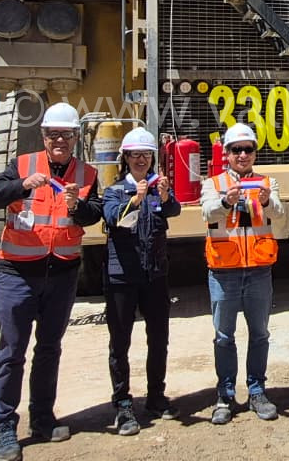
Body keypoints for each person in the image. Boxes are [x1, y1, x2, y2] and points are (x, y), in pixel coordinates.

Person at [0, 102, 103, 461]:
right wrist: (21, 185)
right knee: (12, 351)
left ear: (76, 137)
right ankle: (4, 425)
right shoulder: (22, 165)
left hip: (62, 272)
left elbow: (93, 215)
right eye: (53, 134)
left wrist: (77, 206)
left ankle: (43, 419)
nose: (60, 140)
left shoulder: (87, 174)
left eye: (66, 134)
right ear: (44, 136)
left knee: (49, 348)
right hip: (18, 272)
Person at [199, 123, 286, 424]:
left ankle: (257, 391)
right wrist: (226, 202)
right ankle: (224, 396)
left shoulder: (267, 183)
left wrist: (267, 200)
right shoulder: (213, 184)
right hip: (224, 271)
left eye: (248, 149)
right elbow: (207, 213)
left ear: (254, 153)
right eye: (236, 150)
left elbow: (279, 214)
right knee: (224, 336)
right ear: (226, 154)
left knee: (259, 334)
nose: (243, 155)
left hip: (259, 269)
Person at [100, 127, 181, 436]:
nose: (141, 160)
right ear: (125, 158)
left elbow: (173, 209)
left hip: (155, 276)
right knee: (120, 342)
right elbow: (112, 217)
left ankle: (156, 396)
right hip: (122, 279)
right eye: (135, 155)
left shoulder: (158, 189)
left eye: (146, 155)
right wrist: (136, 199)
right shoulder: (115, 191)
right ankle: (122, 404)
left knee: (159, 339)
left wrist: (164, 196)